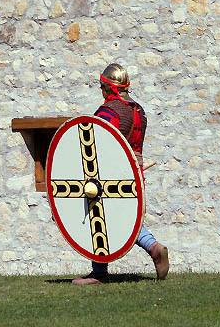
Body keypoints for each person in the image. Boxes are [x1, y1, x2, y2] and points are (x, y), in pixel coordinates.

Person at [72, 63, 169, 285]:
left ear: (108, 87)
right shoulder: (138, 111)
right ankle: (154, 247)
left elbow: (97, 144)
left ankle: (99, 272)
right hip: (134, 173)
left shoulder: (110, 111)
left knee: (98, 217)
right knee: (123, 220)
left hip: (108, 176)